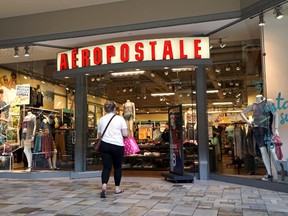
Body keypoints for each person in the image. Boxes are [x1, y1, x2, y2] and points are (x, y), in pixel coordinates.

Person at [240, 94, 279, 181]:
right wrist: (248, 122)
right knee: (263, 151)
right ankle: (269, 173)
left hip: (267, 130)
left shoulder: (268, 102)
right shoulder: (252, 105)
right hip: (257, 131)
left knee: (272, 151)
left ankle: (280, 172)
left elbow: (276, 114)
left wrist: (276, 129)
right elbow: (241, 113)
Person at [97, 100, 128, 198]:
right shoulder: (120, 119)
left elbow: (99, 135)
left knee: (106, 167)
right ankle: (117, 188)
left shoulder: (101, 119)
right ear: (114, 109)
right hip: (117, 145)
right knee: (117, 167)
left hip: (105, 145)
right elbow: (125, 134)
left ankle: (104, 186)